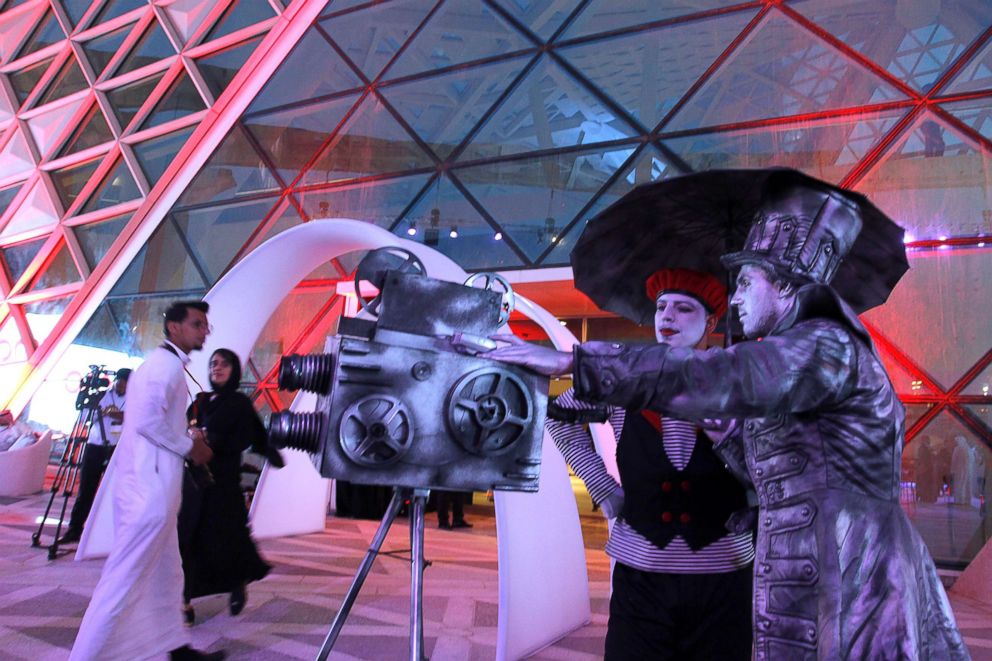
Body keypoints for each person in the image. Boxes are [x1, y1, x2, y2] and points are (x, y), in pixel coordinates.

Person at [488, 180, 969, 660]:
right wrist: (616, 485)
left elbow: (727, 380)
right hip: (772, 571)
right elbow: (779, 471)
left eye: (744, 283)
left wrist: (577, 361)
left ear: (782, 283)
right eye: (662, 308)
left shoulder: (817, 348)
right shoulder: (762, 365)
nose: (735, 297)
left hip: (840, 576)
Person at [547, 268, 753, 659]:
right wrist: (601, 486)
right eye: (661, 307)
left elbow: (773, 462)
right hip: (640, 571)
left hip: (723, 571)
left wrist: (731, 441)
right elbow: (560, 417)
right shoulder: (625, 373)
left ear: (711, 322)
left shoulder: (739, 379)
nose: (667, 317)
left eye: (684, 309)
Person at [70, 301, 225, 661]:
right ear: (174, 327)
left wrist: (184, 435)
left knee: (166, 576)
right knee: (123, 581)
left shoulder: (165, 365)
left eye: (205, 325)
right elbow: (144, 422)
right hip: (149, 495)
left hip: (154, 491)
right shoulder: (164, 368)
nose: (204, 331)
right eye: (197, 324)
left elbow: (152, 422)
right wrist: (192, 447)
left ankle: (172, 648)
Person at [179, 348, 276, 625]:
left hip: (223, 484)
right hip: (196, 483)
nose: (217, 368)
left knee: (227, 538)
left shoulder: (239, 404)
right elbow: (182, 428)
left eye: (223, 364)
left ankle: (236, 582)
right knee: (188, 539)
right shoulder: (200, 402)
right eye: (213, 364)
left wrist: (211, 438)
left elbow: (248, 437)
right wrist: (191, 434)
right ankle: (184, 600)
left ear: (234, 369)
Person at [58, 368, 130, 545]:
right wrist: (99, 410)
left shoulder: (135, 399)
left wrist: (115, 414)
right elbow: (85, 417)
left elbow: (134, 418)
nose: (120, 384)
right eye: (119, 381)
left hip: (117, 449)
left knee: (116, 492)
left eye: (124, 381)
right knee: (86, 490)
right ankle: (74, 529)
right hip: (95, 446)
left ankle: (110, 535)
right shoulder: (101, 396)